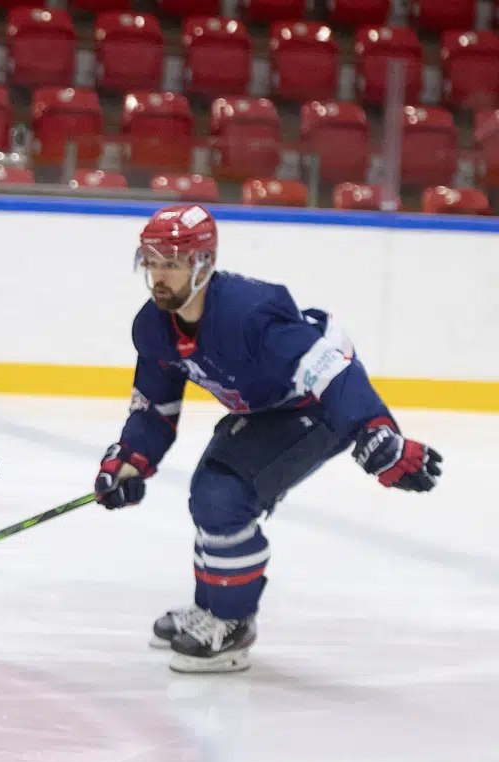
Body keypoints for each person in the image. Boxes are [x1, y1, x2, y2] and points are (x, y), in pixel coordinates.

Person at [95, 204, 442, 674]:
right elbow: (155, 406)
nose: (159, 274)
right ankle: (213, 608)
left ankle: (233, 623)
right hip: (268, 408)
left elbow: (333, 374)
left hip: (317, 406)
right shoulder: (154, 326)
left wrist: (376, 432)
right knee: (210, 496)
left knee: (223, 496)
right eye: (152, 261)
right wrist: (132, 458)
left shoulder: (251, 314)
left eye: (172, 262)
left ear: (203, 264)